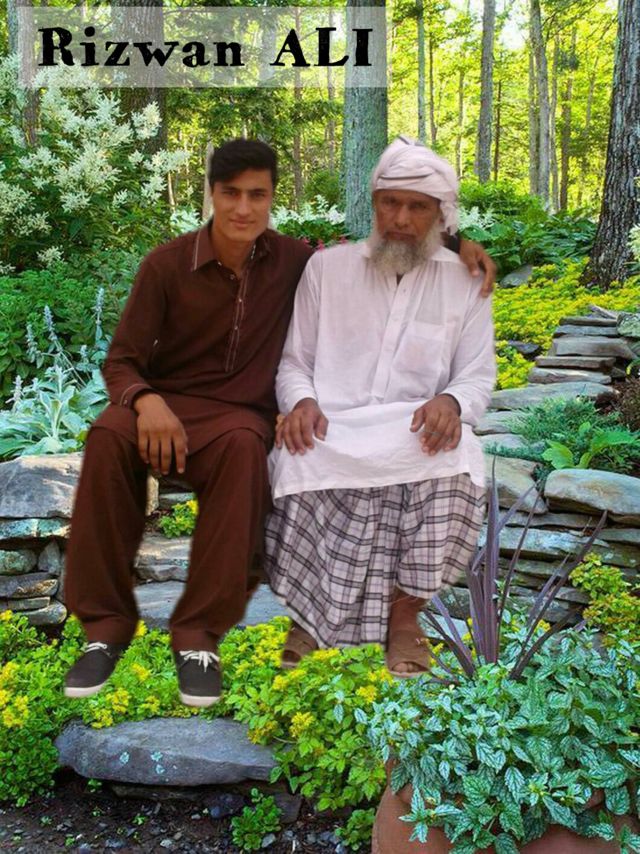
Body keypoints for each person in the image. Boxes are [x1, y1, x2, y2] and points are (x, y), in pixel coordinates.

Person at [63, 137, 496, 707]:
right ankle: (105, 627)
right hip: (223, 414)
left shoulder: (307, 261)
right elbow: (129, 360)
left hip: (304, 424)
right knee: (110, 436)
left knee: (259, 447)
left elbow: (468, 357)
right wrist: (149, 400)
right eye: (231, 193)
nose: (243, 208)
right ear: (211, 195)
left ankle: (214, 634)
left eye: (257, 195)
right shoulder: (191, 265)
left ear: (272, 199)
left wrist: (460, 250)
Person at [265, 136, 496, 677]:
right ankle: (310, 616)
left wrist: (451, 401)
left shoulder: (465, 281)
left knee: (459, 456)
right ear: (373, 204)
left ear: (441, 214)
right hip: (335, 430)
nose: (401, 219)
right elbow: (295, 362)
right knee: (298, 455)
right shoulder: (326, 269)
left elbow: (477, 375)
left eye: (418, 206)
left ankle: (404, 616)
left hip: (412, 432)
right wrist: (301, 402)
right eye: (390, 202)